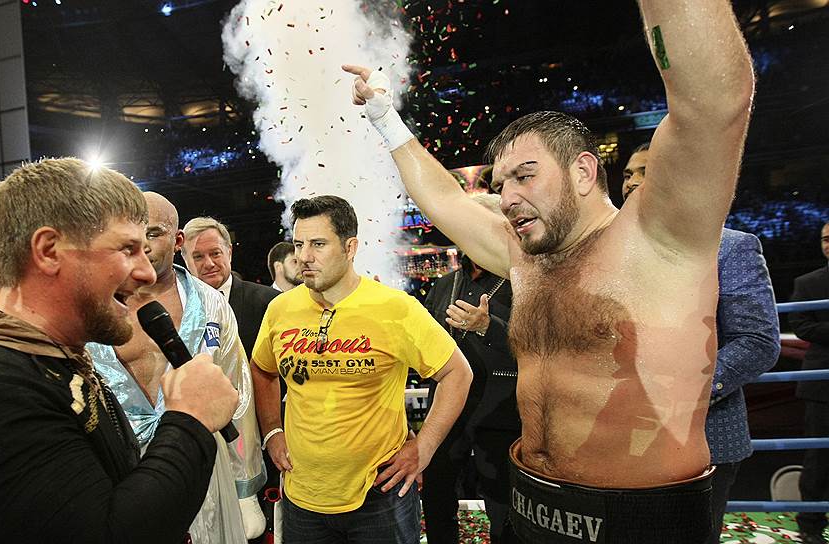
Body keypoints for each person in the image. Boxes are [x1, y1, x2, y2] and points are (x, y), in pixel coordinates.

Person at [344, 0, 756, 540]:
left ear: (583, 171)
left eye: (525, 176)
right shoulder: (527, 257)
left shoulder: (659, 239)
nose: (507, 198)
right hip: (531, 503)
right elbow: (444, 198)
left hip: (642, 518)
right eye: (501, 184)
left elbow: (714, 105)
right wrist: (383, 115)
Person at [0, 157, 238, 542]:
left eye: (145, 249)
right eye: (127, 249)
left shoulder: (42, 358)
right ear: (49, 250)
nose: (144, 272)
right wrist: (189, 420)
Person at [250, 195, 472, 543]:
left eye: (318, 244)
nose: (304, 256)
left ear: (350, 247)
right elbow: (262, 369)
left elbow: (458, 373)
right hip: (302, 496)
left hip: (379, 496)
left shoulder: (395, 308)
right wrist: (272, 432)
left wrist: (425, 447)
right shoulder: (281, 309)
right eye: (299, 244)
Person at [622, 142, 781, 543]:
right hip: (620, 439)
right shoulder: (614, 255)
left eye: (646, 171)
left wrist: (679, 394)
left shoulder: (730, 247)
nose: (632, 182)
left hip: (704, 437)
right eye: (627, 174)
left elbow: (757, 341)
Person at [88, 192, 265, 543]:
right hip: (118, 471)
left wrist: (245, 486)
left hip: (203, 462)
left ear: (178, 239)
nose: (143, 246)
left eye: (153, 234)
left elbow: (237, 395)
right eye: (131, 236)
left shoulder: (211, 303)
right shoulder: (92, 307)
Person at [421, 192, 521, 544]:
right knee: (436, 500)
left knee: (504, 512)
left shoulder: (527, 281)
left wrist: (488, 327)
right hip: (446, 414)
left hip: (502, 416)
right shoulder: (444, 284)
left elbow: (543, 347)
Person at [182, 217, 279, 357]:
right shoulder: (179, 308)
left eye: (215, 253)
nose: (209, 264)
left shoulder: (270, 301)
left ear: (229, 252)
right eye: (198, 257)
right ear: (185, 261)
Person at [789, 221, 829, 544]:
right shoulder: (807, 283)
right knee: (818, 458)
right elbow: (800, 325)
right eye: (826, 239)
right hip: (821, 384)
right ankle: (810, 525)